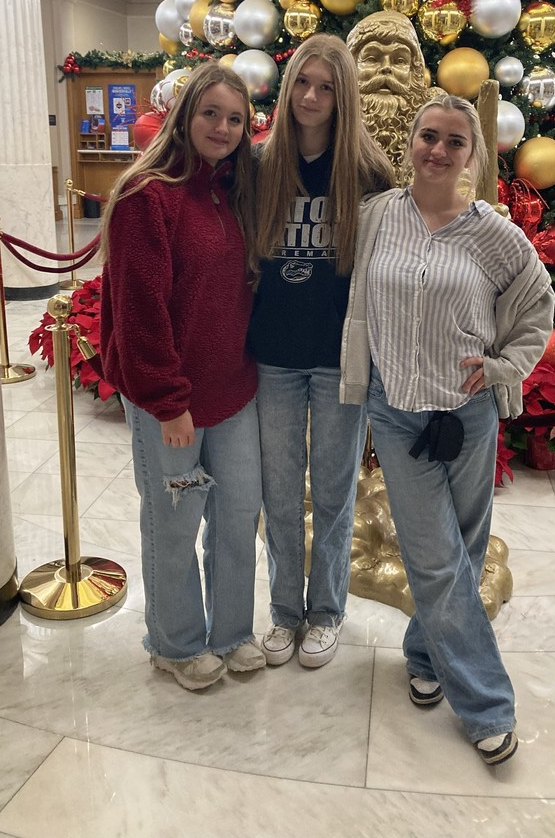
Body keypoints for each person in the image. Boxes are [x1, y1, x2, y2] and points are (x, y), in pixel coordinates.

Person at [340, 94, 555, 763]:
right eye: (428, 136)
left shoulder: (494, 234)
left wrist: (503, 367)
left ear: (472, 156)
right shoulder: (377, 217)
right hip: (397, 410)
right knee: (434, 557)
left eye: (454, 141)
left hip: (467, 413)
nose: (438, 150)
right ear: (412, 142)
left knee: (463, 545)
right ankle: (487, 704)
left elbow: (538, 306)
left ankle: (423, 654)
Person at [100, 62, 265, 691]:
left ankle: (232, 633)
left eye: (235, 119)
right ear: (185, 115)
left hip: (233, 392)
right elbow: (139, 310)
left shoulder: (234, 191)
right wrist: (168, 402)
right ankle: (175, 643)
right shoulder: (147, 196)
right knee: (174, 521)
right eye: (211, 113)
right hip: (171, 403)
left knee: (236, 515)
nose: (222, 128)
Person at [250, 34, 394, 669]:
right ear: (288, 89)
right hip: (274, 354)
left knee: (334, 492)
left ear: (343, 96)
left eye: (326, 87)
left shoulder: (368, 172)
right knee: (280, 492)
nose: (311, 96)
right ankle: (285, 611)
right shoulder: (260, 163)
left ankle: (327, 611)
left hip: (340, 357)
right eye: (302, 83)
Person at [346, 10, 440, 169]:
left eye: (400, 61)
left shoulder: (435, 121)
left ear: (414, 72)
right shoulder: (330, 121)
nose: (386, 68)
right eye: (372, 59)